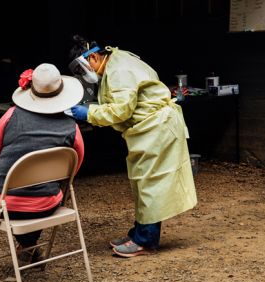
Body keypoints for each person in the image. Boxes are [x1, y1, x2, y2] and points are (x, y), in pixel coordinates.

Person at [68, 35, 197, 258]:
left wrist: (89, 113)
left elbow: (121, 111)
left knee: (150, 185)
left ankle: (146, 241)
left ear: (94, 57)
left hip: (156, 128)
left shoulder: (119, 70)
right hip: (147, 129)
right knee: (142, 183)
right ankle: (137, 234)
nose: (83, 74)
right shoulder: (115, 63)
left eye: (82, 69)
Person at [0, 63, 85, 263]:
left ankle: (27, 246)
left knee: (22, 205)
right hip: (45, 204)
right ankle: (28, 245)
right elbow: (74, 166)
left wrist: (15, 179)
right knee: (40, 200)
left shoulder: (10, 115)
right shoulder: (71, 127)